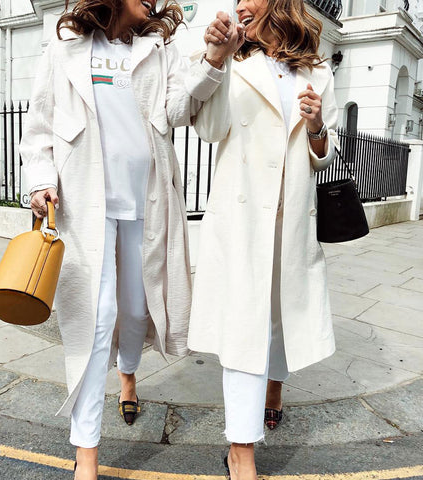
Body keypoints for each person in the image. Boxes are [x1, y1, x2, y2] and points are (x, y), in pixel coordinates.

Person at [19, 1, 241, 478]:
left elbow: (179, 111)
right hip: (86, 208)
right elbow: (38, 126)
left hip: (147, 204)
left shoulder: (159, 49)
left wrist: (213, 60)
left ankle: (128, 375)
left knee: (139, 312)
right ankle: (86, 453)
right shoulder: (66, 47)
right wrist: (39, 181)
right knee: (95, 321)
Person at [188, 0, 339, 478]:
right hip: (243, 216)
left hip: (290, 216)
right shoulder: (233, 59)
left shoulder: (316, 69)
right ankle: (242, 450)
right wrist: (215, 60)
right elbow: (209, 129)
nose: (240, 5)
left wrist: (316, 127)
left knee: (279, 318)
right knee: (244, 327)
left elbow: (324, 153)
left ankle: (275, 387)